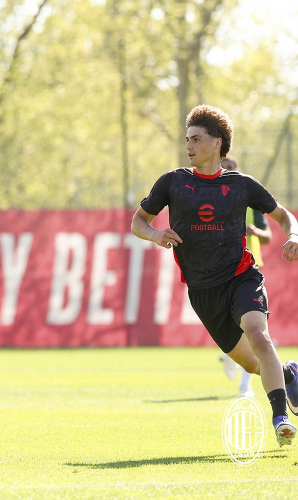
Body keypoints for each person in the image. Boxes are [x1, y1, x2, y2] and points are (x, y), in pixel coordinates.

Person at [131, 104, 298, 447]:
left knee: (259, 335)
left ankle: (280, 418)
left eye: (196, 139)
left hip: (241, 277)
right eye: (187, 139)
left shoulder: (242, 185)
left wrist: (294, 234)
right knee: (252, 364)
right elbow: (138, 222)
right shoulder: (173, 182)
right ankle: (290, 375)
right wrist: (155, 234)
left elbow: (284, 216)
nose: (189, 145)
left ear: (217, 142)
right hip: (202, 291)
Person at [217, 155, 274, 397]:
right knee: (230, 326)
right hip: (220, 271)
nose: (227, 170)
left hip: (249, 270)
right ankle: (231, 355)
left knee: (253, 329)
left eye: (231, 167)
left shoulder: (248, 199)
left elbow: (268, 236)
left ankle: (245, 385)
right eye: (224, 167)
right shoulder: (207, 199)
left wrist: (255, 231)